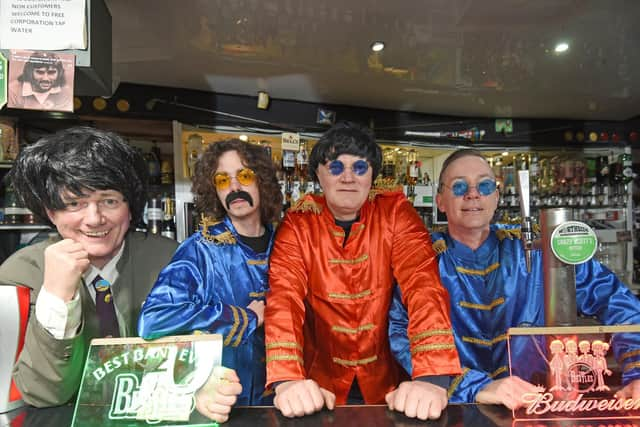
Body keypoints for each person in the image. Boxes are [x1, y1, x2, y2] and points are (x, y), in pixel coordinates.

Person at [388, 148, 640, 409]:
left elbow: (615, 300)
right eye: (459, 186)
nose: (472, 193)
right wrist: (474, 386)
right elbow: (400, 333)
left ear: (496, 196)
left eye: (484, 185)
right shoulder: (422, 259)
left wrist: (637, 372)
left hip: (537, 405)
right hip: (454, 409)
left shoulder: (536, 250)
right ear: (440, 200)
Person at [264, 122, 461, 420]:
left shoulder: (395, 213)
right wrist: (286, 379)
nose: (347, 177)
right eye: (335, 167)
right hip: (318, 388)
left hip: (389, 385)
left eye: (359, 167)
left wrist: (433, 378)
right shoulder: (298, 223)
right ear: (318, 173)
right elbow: (283, 299)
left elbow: (423, 287)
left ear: (372, 176)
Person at [0, 127, 178, 407]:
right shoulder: (20, 275)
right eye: (74, 203)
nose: (94, 219)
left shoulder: (171, 261)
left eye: (109, 201)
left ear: (130, 208)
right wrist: (57, 297)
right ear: (50, 212)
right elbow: (43, 395)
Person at [138, 139, 283, 410]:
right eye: (222, 180)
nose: (235, 187)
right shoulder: (201, 249)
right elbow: (153, 320)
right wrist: (243, 318)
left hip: (287, 403)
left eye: (245, 175)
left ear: (262, 181)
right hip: (223, 405)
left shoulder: (289, 244)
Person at [8, 51, 73, 112]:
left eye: (52, 72)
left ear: (59, 73)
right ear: (30, 71)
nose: (45, 79)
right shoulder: (12, 91)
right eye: (40, 72)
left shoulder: (67, 92)